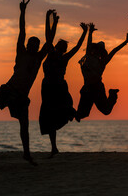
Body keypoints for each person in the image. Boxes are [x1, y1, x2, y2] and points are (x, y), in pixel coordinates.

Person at [0, 0, 51, 164]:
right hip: (9, 90)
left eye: (37, 45)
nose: (35, 47)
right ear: (27, 45)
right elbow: (22, 31)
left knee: (24, 125)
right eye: (32, 44)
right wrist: (23, 11)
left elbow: (49, 41)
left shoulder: (38, 59)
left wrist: (49, 20)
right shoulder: (22, 53)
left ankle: (26, 153)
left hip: (21, 97)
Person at [39, 9, 88, 157]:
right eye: (61, 46)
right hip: (48, 87)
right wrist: (50, 18)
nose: (63, 48)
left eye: (64, 47)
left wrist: (84, 32)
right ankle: (54, 147)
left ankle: (72, 113)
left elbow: (78, 46)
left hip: (58, 87)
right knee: (48, 119)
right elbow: (49, 36)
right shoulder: (51, 53)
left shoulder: (64, 58)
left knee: (59, 111)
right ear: (56, 47)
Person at [75, 23, 128, 121]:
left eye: (99, 50)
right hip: (87, 88)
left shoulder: (102, 62)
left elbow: (114, 51)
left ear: (101, 52)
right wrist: (90, 32)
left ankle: (113, 93)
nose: (96, 51)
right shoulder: (88, 56)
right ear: (93, 49)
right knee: (81, 114)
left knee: (106, 111)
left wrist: (126, 41)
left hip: (97, 88)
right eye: (96, 49)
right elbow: (89, 43)